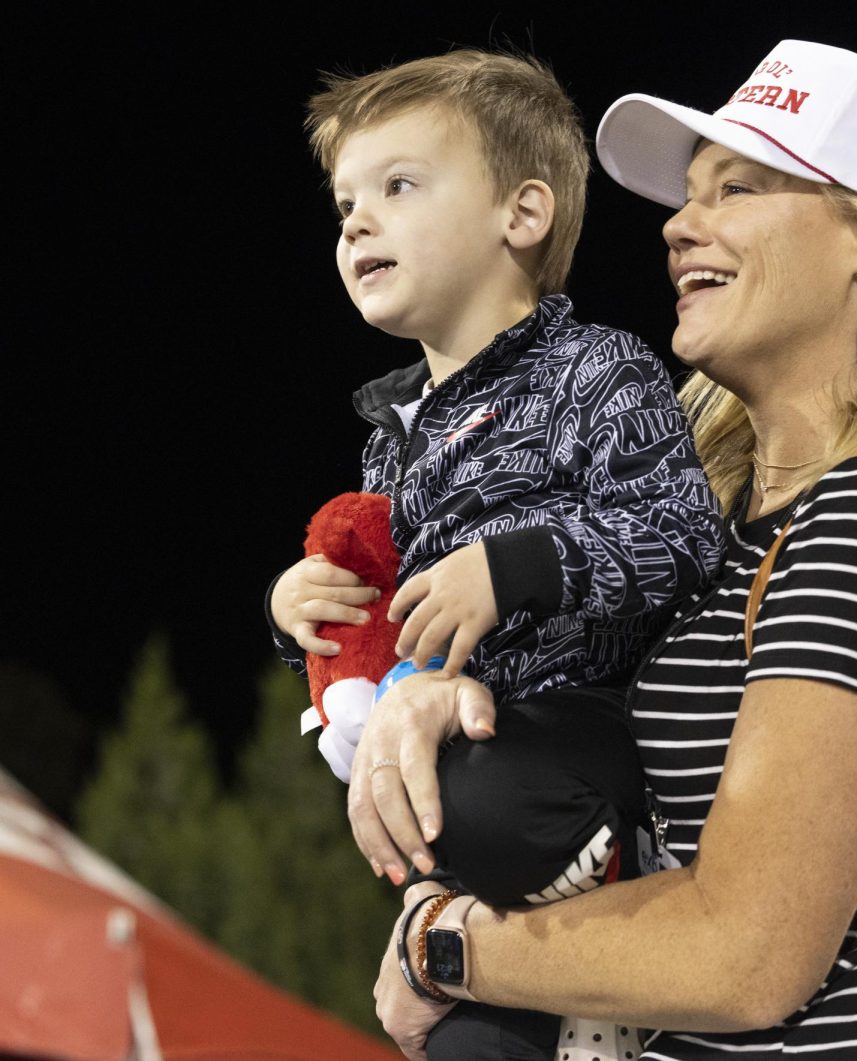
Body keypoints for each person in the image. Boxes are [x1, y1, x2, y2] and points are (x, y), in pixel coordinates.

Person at [361, 39, 857, 1061]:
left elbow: (744, 951)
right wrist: (437, 690)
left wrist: (447, 953)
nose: (681, 224)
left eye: (739, 187)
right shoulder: (715, 542)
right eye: (688, 195)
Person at [264, 49, 723, 1060]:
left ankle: (618, 893)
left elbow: (682, 533)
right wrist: (302, 617)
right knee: (461, 1036)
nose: (357, 221)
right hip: (460, 755)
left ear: (522, 215)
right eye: (346, 201)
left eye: (399, 185)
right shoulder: (394, 436)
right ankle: (535, 965)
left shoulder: (596, 369)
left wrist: (519, 564)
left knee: (480, 801)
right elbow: (385, 623)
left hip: (588, 730)